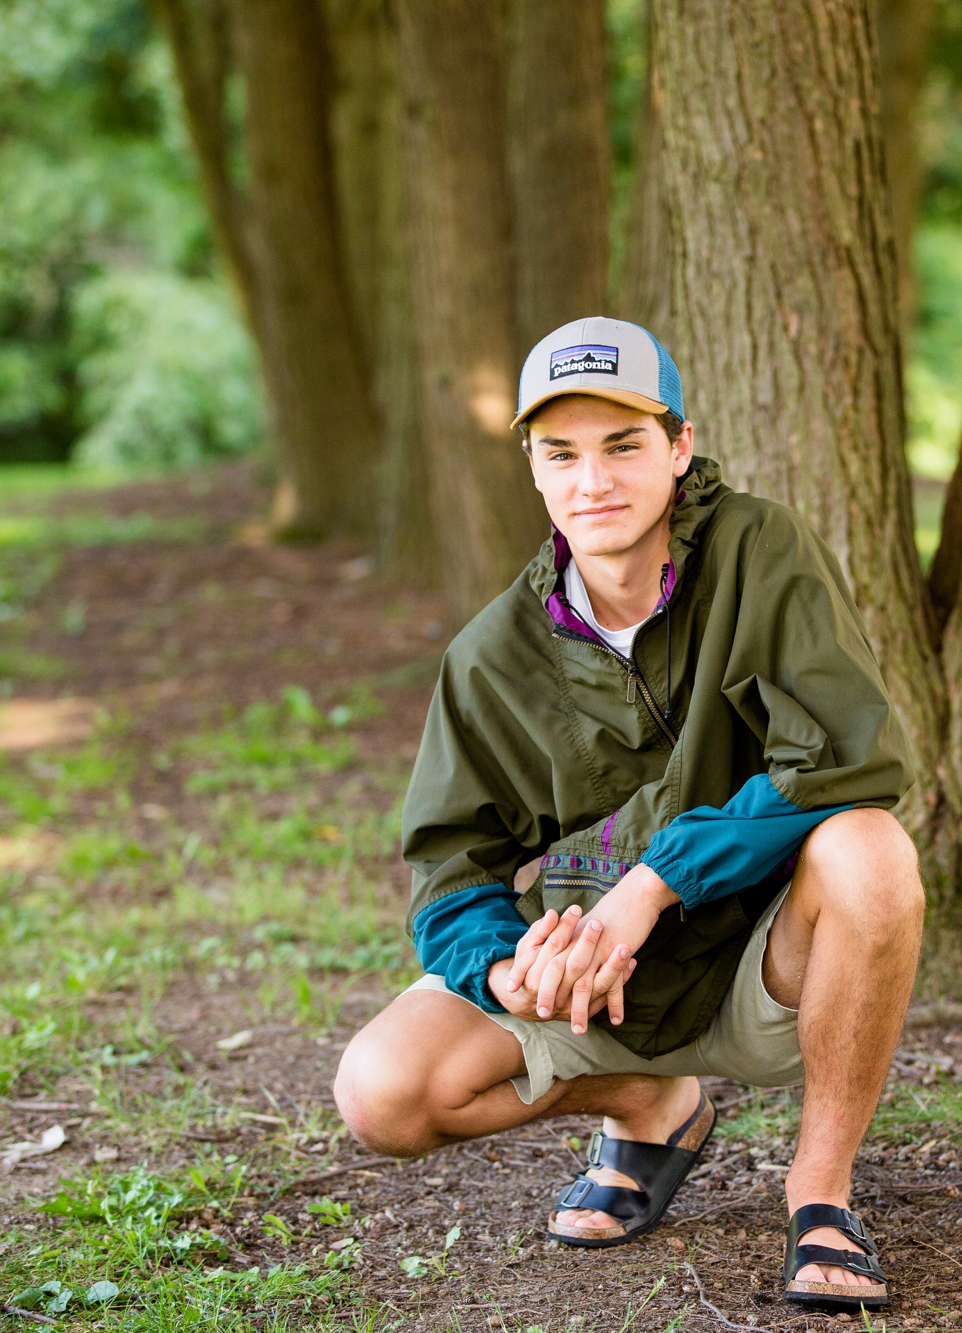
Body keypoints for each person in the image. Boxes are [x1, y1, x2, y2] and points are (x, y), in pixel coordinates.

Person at [333, 317, 924, 1313]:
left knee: (869, 846)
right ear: (531, 464)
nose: (591, 480)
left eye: (622, 444)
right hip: (600, 995)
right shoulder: (489, 656)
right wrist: (505, 966)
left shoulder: (755, 549)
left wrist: (652, 884)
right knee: (381, 1091)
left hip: (765, 965)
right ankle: (649, 1105)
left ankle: (818, 1193)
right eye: (560, 452)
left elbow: (849, 749)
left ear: (678, 446)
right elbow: (450, 866)